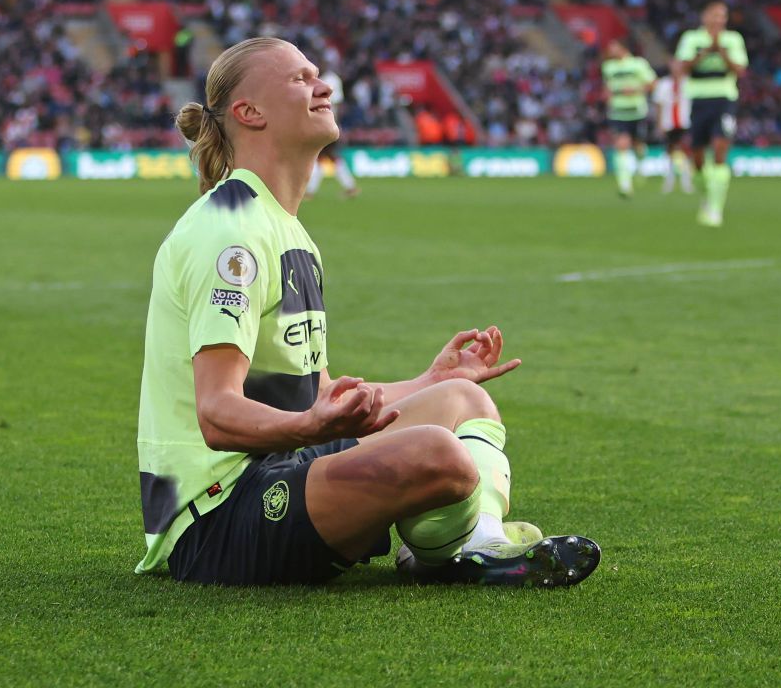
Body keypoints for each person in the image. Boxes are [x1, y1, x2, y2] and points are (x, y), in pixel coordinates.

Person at [136, 37, 600, 587]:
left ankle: (469, 545)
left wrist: (428, 380)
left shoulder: (287, 228)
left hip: (282, 464)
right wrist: (309, 426)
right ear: (249, 112)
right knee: (438, 454)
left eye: (317, 73)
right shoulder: (230, 230)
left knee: (463, 398)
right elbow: (216, 414)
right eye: (300, 79)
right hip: (217, 517)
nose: (324, 85)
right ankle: (461, 549)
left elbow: (319, 395)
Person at [673, 2, 748, 226]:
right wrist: (706, 52)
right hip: (697, 100)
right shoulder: (691, 39)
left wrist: (722, 52)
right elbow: (681, 69)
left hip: (724, 100)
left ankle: (716, 209)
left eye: (722, 16)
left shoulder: (733, 40)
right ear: (704, 16)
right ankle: (707, 196)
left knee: (719, 149)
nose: (719, 20)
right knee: (697, 156)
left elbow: (740, 71)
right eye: (715, 15)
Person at [601, 39, 657, 198]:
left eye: (614, 47)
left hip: (637, 111)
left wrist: (635, 89)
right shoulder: (608, 67)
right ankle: (624, 184)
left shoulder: (638, 64)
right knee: (622, 144)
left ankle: (640, 166)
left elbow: (653, 84)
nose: (611, 50)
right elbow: (607, 87)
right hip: (618, 112)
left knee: (638, 144)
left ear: (623, 48)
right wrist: (607, 94)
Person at [304, 56, 359, 199]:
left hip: (326, 124)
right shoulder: (324, 79)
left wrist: (334, 124)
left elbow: (335, 105)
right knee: (327, 157)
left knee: (319, 156)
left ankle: (310, 191)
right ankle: (350, 187)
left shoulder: (330, 80)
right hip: (324, 124)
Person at [650, 73, 694, 194]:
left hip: (685, 122)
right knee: (669, 152)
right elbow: (658, 104)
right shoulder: (663, 84)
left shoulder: (689, 82)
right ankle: (669, 181)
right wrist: (659, 124)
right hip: (668, 123)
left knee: (686, 152)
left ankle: (687, 182)